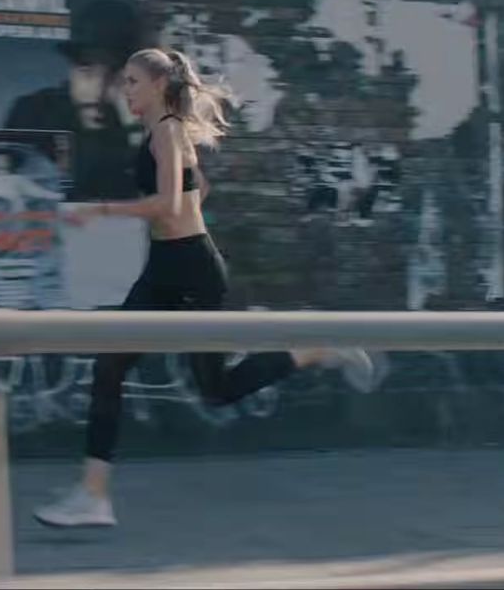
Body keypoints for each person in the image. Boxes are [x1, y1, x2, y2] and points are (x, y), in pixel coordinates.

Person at [34, 48, 380, 529]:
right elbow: (199, 192)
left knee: (216, 389)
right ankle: (93, 495)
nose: (125, 90)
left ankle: (319, 349)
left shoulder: (169, 131)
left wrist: (101, 211)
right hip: (164, 269)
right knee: (109, 365)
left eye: (132, 81)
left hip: (192, 270)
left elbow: (170, 203)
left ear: (158, 85)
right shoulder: (162, 134)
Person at [4, 0, 147, 200]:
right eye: (86, 71)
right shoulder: (32, 112)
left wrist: (133, 128)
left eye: (115, 76)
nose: (97, 94)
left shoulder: (145, 124)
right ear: (70, 69)